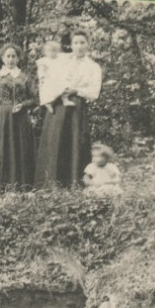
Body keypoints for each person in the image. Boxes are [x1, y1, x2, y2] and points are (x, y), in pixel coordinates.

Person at [35, 28, 102, 188]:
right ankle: (51, 183)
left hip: (77, 107)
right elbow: (46, 74)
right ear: (71, 45)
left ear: (88, 44)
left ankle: (74, 182)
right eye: (76, 43)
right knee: (55, 140)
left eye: (82, 43)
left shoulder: (93, 66)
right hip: (58, 105)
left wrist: (76, 91)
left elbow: (94, 92)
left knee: (75, 141)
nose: (79, 46)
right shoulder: (61, 60)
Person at [0, 44, 37, 191]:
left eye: (14, 56)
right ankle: (0, 189)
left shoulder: (24, 77)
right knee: (2, 151)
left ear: (19, 58)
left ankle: (21, 187)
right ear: (2, 58)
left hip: (20, 118)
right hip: (1, 117)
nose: (11, 59)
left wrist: (23, 104)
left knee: (20, 150)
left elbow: (34, 99)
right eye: (8, 56)